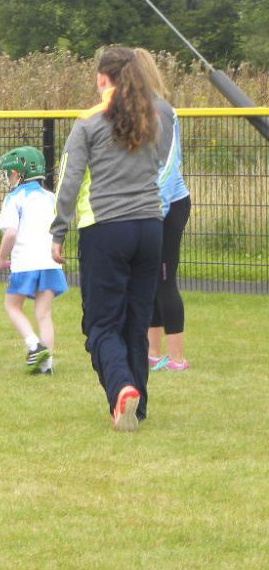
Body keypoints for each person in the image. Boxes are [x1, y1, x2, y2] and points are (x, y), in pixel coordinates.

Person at [50, 47, 164, 432]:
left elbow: (69, 181)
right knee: (136, 321)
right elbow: (159, 167)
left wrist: (58, 231)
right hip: (150, 227)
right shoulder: (152, 117)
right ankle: (136, 406)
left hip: (106, 229)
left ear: (102, 78)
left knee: (101, 325)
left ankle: (122, 389)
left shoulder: (89, 122)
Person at [136, 49, 192, 372]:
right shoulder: (135, 111)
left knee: (166, 279)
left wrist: (158, 207)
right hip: (150, 206)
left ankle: (178, 358)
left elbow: (169, 165)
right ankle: (153, 353)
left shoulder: (161, 110)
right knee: (152, 279)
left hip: (168, 206)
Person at [0, 146, 68, 375]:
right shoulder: (50, 197)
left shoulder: (14, 198)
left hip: (25, 263)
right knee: (44, 314)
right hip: (50, 263)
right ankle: (46, 365)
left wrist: (0, 258)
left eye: (8, 174)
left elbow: (11, 233)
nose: (7, 178)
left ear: (17, 174)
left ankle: (34, 346)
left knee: (12, 306)